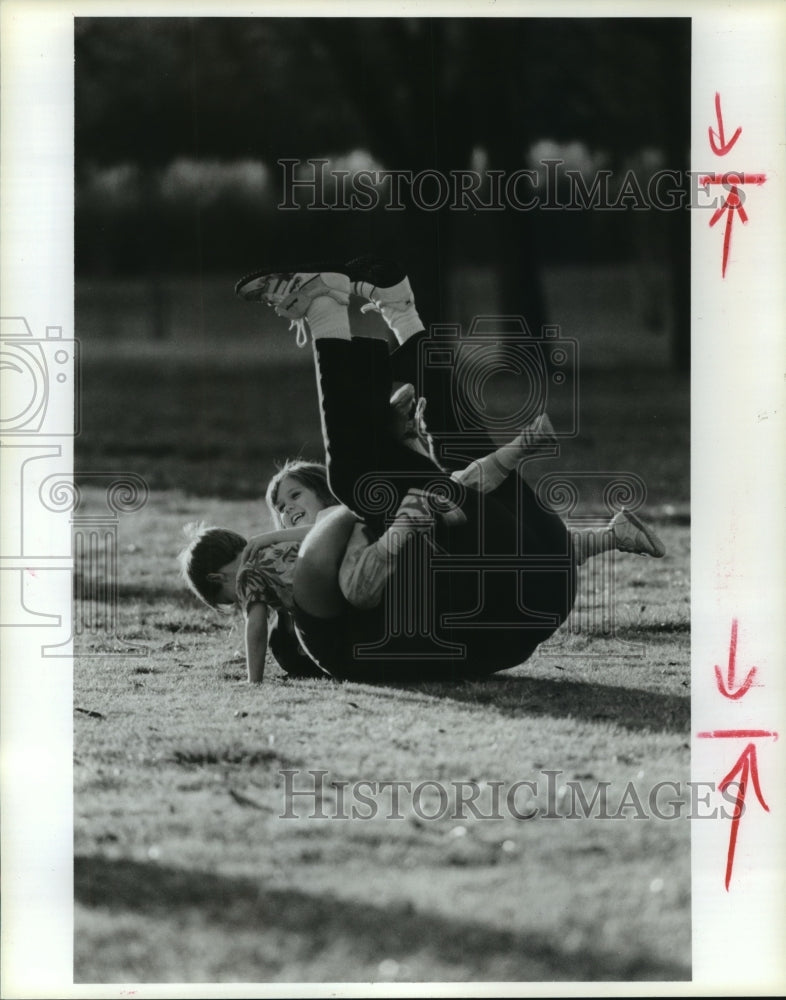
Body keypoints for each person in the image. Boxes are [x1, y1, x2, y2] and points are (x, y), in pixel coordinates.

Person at [212, 255, 666, 684]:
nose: (287, 516)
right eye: (280, 511)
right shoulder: (306, 621)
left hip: (532, 586)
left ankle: (396, 312)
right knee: (364, 478)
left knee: (450, 457)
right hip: (512, 595)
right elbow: (327, 574)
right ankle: (328, 308)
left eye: (293, 498)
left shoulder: (344, 560)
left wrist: (396, 449)